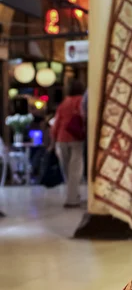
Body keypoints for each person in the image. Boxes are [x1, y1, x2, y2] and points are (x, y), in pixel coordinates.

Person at [50, 79, 85, 208]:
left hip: (61, 138)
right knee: (75, 169)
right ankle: (72, 199)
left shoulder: (64, 103)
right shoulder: (82, 100)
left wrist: (52, 142)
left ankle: (73, 195)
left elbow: (56, 123)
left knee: (67, 170)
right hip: (76, 138)